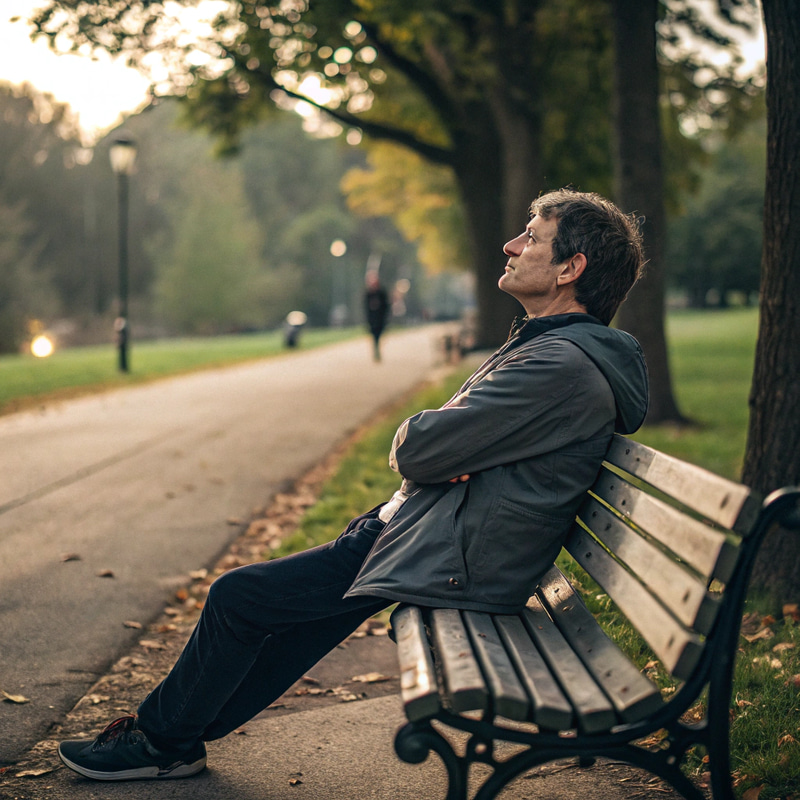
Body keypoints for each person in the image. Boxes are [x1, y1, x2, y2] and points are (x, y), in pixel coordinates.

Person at [58, 188, 649, 781]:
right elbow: (445, 448)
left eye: (532, 238)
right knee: (277, 618)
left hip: (449, 554)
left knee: (238, 599)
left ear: (570, 269)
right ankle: (172, 737)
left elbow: (419, 447)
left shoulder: (557, 365)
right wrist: (443, 451)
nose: (511, 245)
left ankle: (162, 742)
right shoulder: (549, 348)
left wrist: (429, 446)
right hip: (432, 531)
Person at [363, 270, 390, 361]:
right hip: (372, 319)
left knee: (379, 334)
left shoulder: (381, 293)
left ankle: (377, 348)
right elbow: (365, 307)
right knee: (374, 335)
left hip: (380, 318)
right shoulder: (368, 294)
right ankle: (376, 349)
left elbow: (386, 306)